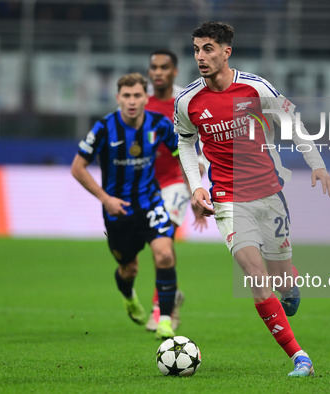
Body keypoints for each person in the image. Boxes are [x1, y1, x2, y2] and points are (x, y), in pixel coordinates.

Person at [174, 21, 330, 377]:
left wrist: (318, 165)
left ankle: (290, 282)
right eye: (197, 49)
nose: (200, 57)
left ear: (226, 52)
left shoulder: (256, 88)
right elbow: (185, 142)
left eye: (208, 49)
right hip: (227, 199)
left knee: (282, 284)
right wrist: (196, 185)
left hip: (268, 195)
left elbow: (292, 123)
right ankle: (300, 357)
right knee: (255, 275)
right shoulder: (188, 100)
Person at [71, 72, 180, 340]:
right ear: (118, 98)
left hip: (151, 202)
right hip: (118, 211)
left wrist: (196, 178)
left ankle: (164, 319)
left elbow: (182, 152)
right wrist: (105, 198)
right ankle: (129, 295)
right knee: (128, 268)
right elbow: (78, 167)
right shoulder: (104, 127)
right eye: (127, 96)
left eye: (137, 96)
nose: (132, 101)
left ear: (146, 98)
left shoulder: (160, 124)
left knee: (165, 254)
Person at [144, 48, 207, 332]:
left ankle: (161, 308)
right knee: (149, 248)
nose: (158, 72)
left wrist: (198, 175)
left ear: (174, 71)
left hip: (174, 182)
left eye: (163, 67)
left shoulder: (184, 100)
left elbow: (200, 138)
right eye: (154, 67)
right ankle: (173, 293)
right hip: (142, 186)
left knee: (164, 241)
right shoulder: (137, 100)